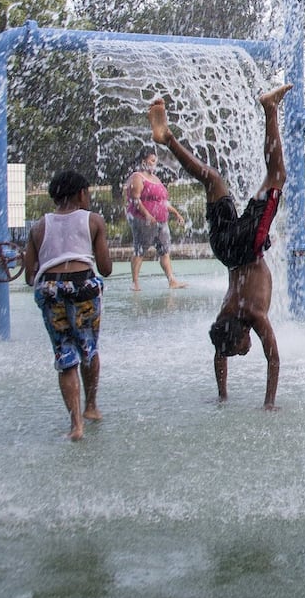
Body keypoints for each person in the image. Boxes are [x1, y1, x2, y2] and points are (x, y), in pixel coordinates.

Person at [149, 86, 290, 410]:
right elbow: (219, 354)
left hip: (247, 248)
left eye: (239, 348)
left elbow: (274, 359)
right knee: (212, 180)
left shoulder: (252, 316)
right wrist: (222, 393)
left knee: (277, 174)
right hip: (224, 249)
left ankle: (270, 108)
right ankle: (168, 139)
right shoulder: (224, 321)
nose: (241, 351)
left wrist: (269, 403)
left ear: (244, 333)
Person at [25, 170, 113, 440]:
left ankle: (76, 425)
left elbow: (30, 276)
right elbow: (106, 268)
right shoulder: (93, 221)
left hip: (51, 290)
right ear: (81, 194)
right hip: (83, 286)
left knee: (65, 357)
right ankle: (91, 407)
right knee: (89, 347)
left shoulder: (39, 227)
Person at [123, 146, 188, 291]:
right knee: (140, 250)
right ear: (143, 161)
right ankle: (135, 283)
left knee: (164, 251)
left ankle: (172, 280)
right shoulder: (137, 177)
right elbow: (135, 199)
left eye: (155, 161)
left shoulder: (156, 179)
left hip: (161, 221)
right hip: (143, 220)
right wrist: (147, 215)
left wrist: (175, 213)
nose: (154, 163)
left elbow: (162, 202)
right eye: (152, 160)